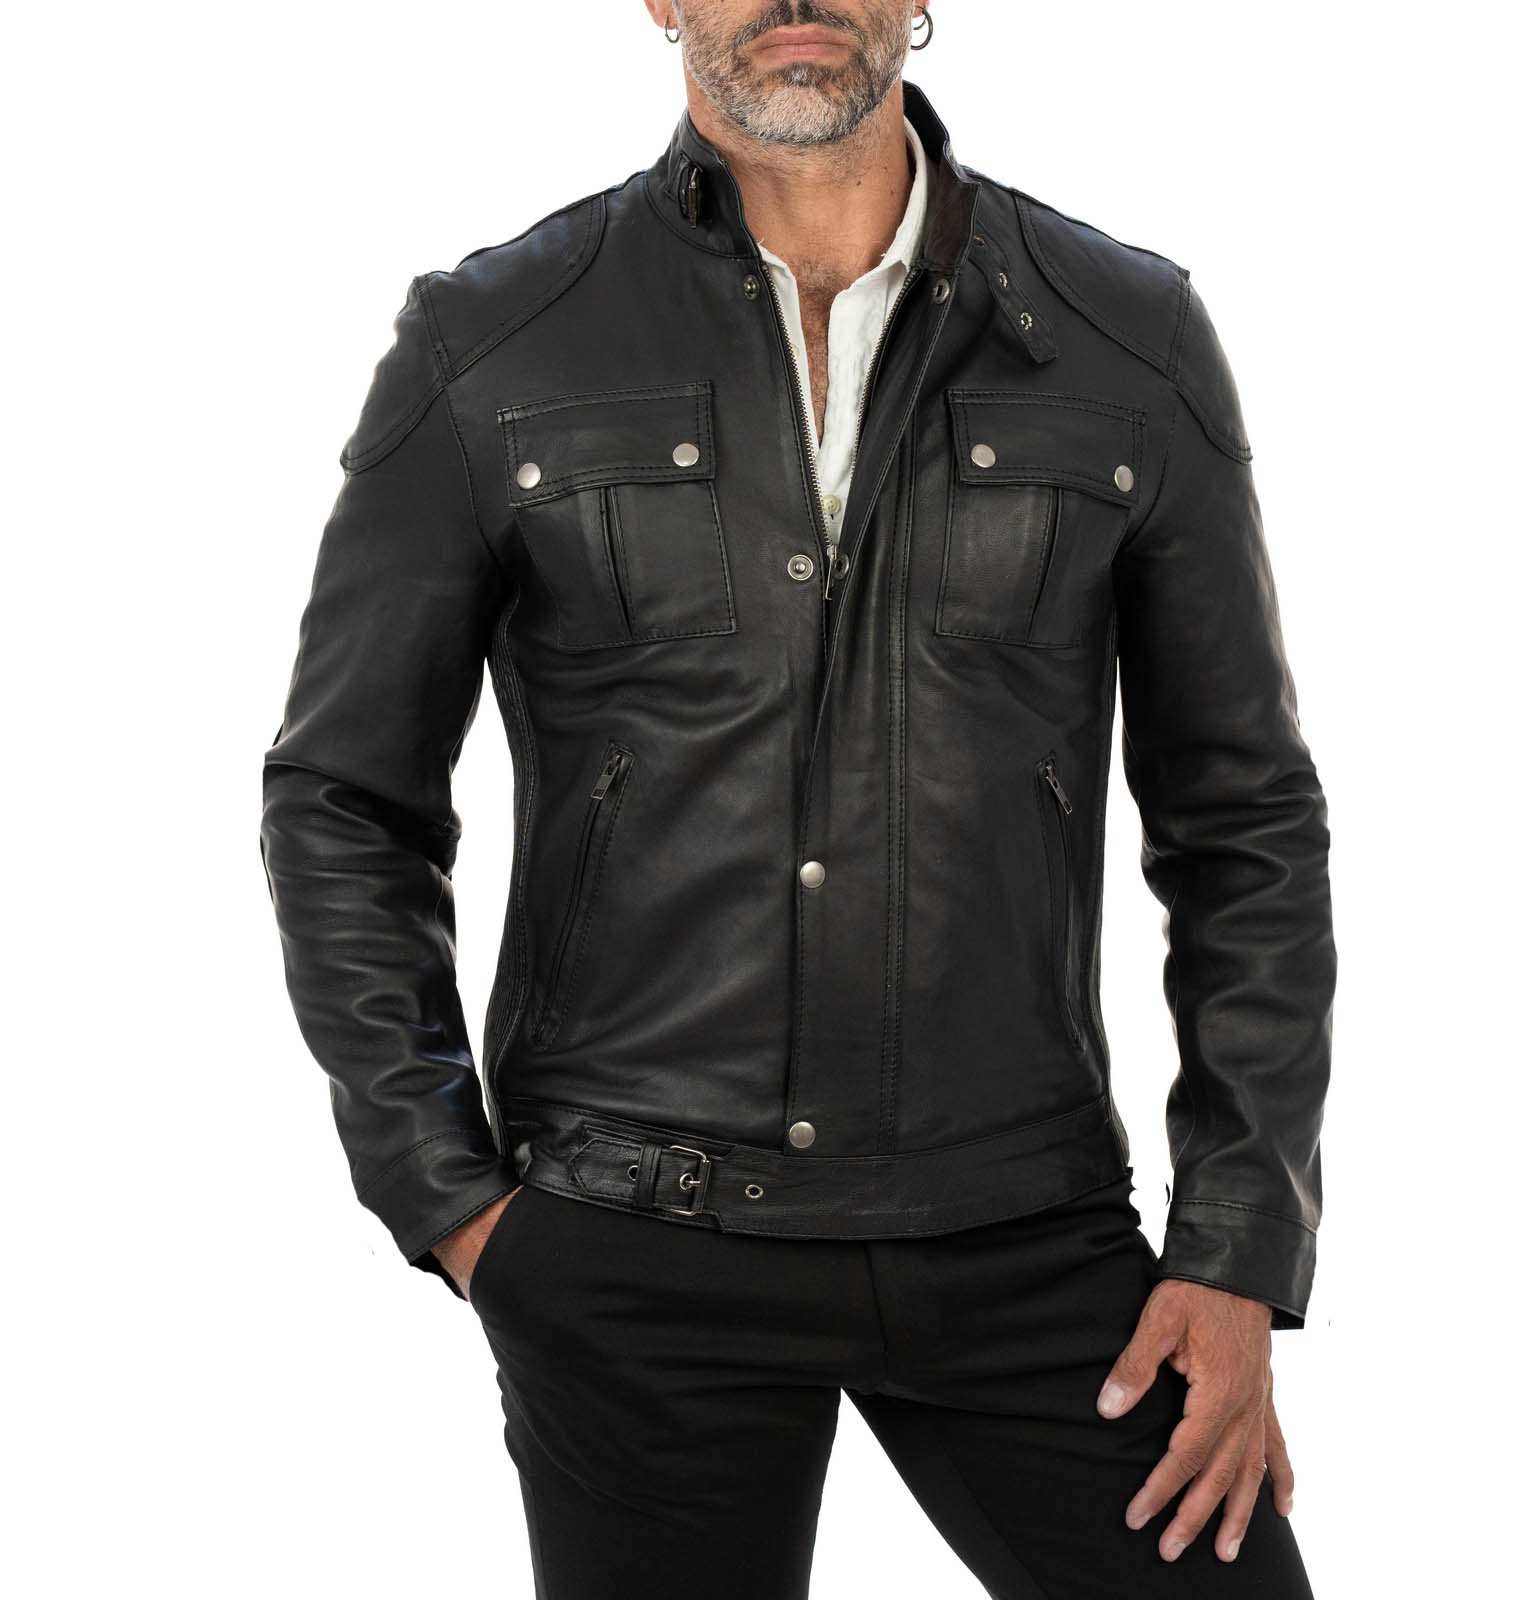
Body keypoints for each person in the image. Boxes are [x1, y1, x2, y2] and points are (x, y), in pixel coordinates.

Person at [258, 3, 1335, 1594]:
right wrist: (453, 1201)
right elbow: (344, 796)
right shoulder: (495, 339)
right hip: (632, 1234)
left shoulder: (1126, 332)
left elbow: (1243, 817)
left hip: (1024, 1229)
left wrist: (1238, 1247)